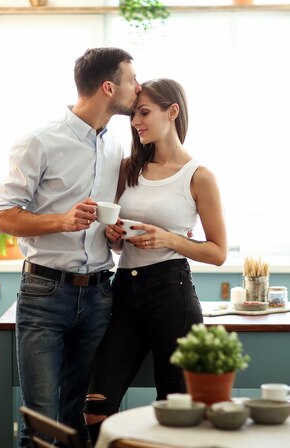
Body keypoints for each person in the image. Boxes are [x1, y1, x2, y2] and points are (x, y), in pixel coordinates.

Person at [0, 47, 141, 447]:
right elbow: (3, 216)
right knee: (41, 425)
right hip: (45, 293)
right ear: (109, 87)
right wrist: (61, 220)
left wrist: (111, 235)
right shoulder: (39, 141)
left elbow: (104, 218)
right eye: (132, 79)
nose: (138, 88)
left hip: (98, 294)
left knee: (82, 423)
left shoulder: (114, 146)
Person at [83, 78, 228, 444]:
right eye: (134, 114)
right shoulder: (128, 167)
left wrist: (170, 240)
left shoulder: (199, 176)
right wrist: (113, 235)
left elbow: (218, 252)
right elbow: (113, 240)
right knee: (95, 406)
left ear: (172, 111)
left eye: (144, 112)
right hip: (124, 293)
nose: (135, 121)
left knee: (176, 407)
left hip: (171, 292)